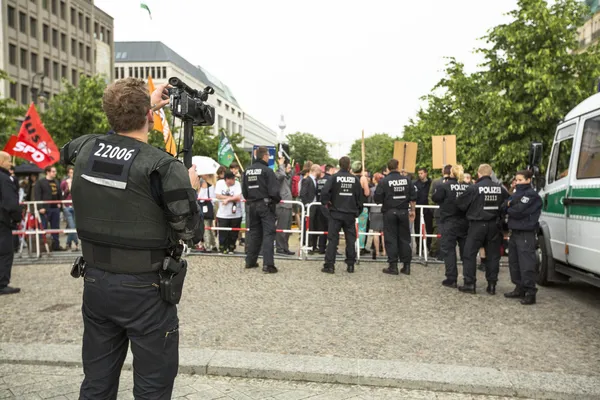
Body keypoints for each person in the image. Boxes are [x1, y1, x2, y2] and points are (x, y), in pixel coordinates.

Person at [60, 77, 203, 398]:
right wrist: (191, 191)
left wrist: (139, 107)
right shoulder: (163, 166)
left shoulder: (83, 149)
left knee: (96, 381)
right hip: (146, 289)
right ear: (150, 117)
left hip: (96, 283)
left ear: (109, 115)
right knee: (153, 386)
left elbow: (104, 145)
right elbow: (191, 232)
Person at [456, 164, 509, 295]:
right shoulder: (500, 189)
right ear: (491, 174)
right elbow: (507, 204)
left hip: (477, 225)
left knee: (469, 254)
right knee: (493, 256)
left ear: (478, 174)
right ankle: (492, 285)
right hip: (494, 225)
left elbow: (460, 204)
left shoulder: (474, 188)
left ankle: (470, 283)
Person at [503, 170, 542, 305]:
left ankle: (530, 292)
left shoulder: (532, 196)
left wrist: (509, 206)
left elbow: (519, 211)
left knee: (527, 264)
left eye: (520, 180)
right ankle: (519, 287)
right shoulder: (516, 194)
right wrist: (509, 206)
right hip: (514, 232)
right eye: (516, 180)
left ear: (528, 180)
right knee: (514, 262)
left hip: (526, 233)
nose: (517, 183)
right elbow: (503, 206)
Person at [242, 146, 281, 273]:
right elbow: (274, 191)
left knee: (254, 233)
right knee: (268, 234)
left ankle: (250, 261)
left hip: (252, 205)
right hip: (265, 205)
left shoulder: (247, 171)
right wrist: (275, 200)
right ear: (265, 156)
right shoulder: (267, 171)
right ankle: (268, 265)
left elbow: (244, 191)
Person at [320, 156, 363, 273]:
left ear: (339, 165)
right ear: (349, 165)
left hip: (336, 212)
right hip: (350, 214)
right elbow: (360, 197)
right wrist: (358, 211)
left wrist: (327, 203)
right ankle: (350, 265)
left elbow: (324, 192)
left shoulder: (334, 178)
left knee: (333, 240)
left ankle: (329, 265)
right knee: (350, 240)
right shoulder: (355, 179)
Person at [374, 159, 416, 275]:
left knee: (391, 239)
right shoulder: (407, 180)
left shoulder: (384, 181)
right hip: (403, 212)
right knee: (405, 239)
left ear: (388, 168)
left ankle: (393, 266)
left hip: (389, 212)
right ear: (398, 167)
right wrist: (412, 211)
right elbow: (413, 197)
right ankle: (406, 266)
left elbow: (377, 198)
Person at [431, 165, 470, 287]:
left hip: (449, 221)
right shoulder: (468, 187)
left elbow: (435, 198)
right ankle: (469, 279)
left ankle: (451, 278)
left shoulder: (444, 186)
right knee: (467, 252)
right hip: (465, 222)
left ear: (450, 173)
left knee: (448, 250)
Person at [0, 152, 22, 295]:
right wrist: (17, 217)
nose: (11, 164)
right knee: (5, 252)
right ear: (1, 161)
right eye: (8, 161)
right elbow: (10, 203)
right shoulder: (5, 178)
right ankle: (2, 283)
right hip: (2, 221)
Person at [34, 166, 64, 251]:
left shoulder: (56, 181)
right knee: (43, 227)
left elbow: (59, 194)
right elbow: (37, 195)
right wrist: (40, 207)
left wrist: (60, 203)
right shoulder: (40, 182)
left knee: (56, 227)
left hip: (55, 208)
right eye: (53, 171)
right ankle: (42, 246)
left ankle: (56, 246)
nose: (55, 173)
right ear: (48, 172)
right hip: (45, 208)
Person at [215, 171, 243, 254]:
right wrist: (231, 197)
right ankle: (222, 247)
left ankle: (231, 247)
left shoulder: (237, 184)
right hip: (223, 213)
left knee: (234, 233)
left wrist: (227, 199)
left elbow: (238, 197)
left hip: (236, 214)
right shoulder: (220, 183)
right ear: (227, 179)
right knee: (223, 232)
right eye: (232, 180)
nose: (234, 181)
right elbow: (218, 195)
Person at [428, 165, 451, 259]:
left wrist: (432, 207)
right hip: (441, 211)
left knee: (438, 231)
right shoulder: (437, 182)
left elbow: (430, 196)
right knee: (439, 232)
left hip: (441, 211)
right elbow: (430, 196)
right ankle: (436, 250)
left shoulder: (436, 182)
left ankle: (437, 251)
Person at [275, 157, 294, 256]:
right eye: (289, 168)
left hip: (288, 205)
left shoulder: (287, 177)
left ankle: (285, 247)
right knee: (281, 228)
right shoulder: (278, 174)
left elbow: (291, 175)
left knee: (287, 229)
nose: (290, 170)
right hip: (282, 205)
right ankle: (280, 247)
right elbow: (281, 175)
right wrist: (281, 164)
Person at [314, 164, 335, 254]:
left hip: (319, 205)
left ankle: (321, 247)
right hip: (327, 206)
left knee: (322, 227)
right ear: (331, 169)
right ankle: (332, 248)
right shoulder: (331, 179)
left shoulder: (320, 180)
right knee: (331, 227)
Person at [351, 161, 371, 255]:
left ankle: (352, 245)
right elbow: (367, 193)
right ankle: (361, 247)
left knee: (351, 227)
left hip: (351, 206)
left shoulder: (350, 178)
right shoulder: (363, 178)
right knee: (362, 228)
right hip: (362, 206)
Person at [300, 164, 321, 253]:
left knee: (314, 225)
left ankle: (312, 244)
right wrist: (306, 204)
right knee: (308, 225)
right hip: (310, 206)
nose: (320, 172)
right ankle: (307, 244)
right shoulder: (307, 180)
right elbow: (303, 193)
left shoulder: (314, 180)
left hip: (314, 205)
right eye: (319, 170)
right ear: (315, 170)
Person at [414, 168, 433, 253]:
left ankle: (428, 246)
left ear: (426, 173)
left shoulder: (431, 183)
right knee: (417, 228)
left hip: (428, 209)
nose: (420, 175)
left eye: (421, 173)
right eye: (419, 173)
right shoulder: (415, 183)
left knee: (429, 228)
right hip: (418, 209)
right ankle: (419, 246)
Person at [61, 166, 79, 251]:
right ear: (68, 173)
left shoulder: (77, 182)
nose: (72, 174)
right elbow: (63, 195)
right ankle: (76, 244)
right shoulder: (64, 182)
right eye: (71, 172)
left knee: (74, 226)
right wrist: (68, 187)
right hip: (67, 206)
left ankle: (68, 243)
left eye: (73, 172)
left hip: (75, 206)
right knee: (72, 226)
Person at [198, 174, 217, 253]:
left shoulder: (207, 188)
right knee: (208, 227)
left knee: (206, 228)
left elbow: (201, 199)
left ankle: (208, 246)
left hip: (205, 210)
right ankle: (214, 244)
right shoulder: (210, 187)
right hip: (206, 210)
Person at [369, 173, 385, 260]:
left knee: (375, 232)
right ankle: (385, 251)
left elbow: (369, 200)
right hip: (383, 211)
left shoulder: (372, 190)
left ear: (375, 180)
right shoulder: (385, 189)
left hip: (374, 211)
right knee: (384, 232)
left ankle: (377, 252)